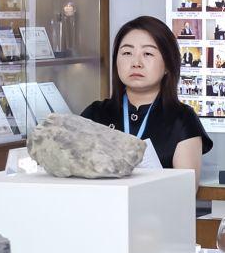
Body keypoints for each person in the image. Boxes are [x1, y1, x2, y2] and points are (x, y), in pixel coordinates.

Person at [81, 15, 211, 174]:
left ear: (168, 65)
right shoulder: (95, 114)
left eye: (148, 53)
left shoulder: (182, 119)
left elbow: (185, 186)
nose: (136, 63)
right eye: (127, 53)